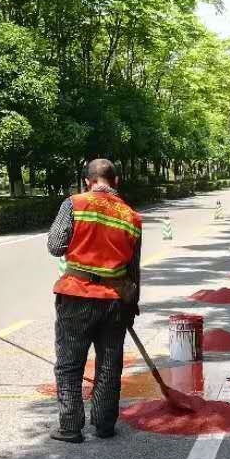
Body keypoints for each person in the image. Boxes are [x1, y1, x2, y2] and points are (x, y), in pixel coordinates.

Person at [47, 157, 141, 444]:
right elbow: (133, 269)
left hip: (76, 295)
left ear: (88, 181)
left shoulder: (74, 204)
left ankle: (71, 426)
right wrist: (132, 304)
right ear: (116, 182)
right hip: (114, 300)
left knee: (69, 365)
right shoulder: (131, 216)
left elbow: (55, 246)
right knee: (110, 364)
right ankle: (103, 424)